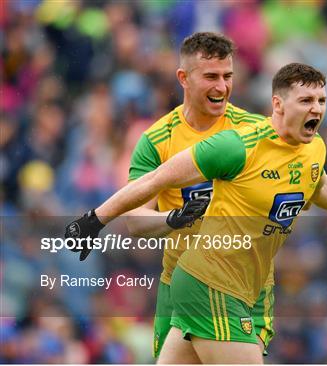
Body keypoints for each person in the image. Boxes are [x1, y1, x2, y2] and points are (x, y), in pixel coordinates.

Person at [66, 63, 327, 364]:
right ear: (278, 105)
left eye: (321, 102)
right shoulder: (236, 147)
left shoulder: (314, 148)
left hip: (251, 290)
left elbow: (318, 183)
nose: (316, 109)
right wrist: (95, 220)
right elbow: (157, 178)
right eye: (306, 101)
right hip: (210, 281)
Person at [70, 32, 277, 362]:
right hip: (180, 284)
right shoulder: (156, 140)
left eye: (227, 76)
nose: (222, 87)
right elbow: (136, 221)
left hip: (239, 283)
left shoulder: (253, 132)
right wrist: (174, 219)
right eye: (211, 76)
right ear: (184, 78)